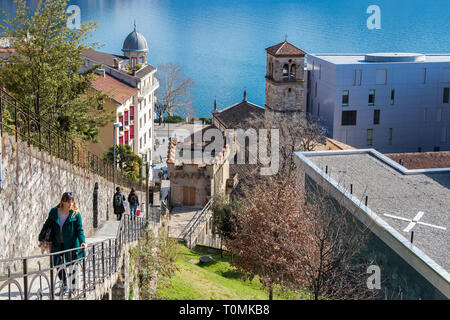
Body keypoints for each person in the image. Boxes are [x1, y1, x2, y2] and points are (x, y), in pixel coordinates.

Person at [38, 192, 87, 295]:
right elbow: (46, 225)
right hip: (57, 243)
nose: (71, 204)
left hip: (72, 243)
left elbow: (80, 230)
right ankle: (64, 285)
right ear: (63, 201)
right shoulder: (54, 212)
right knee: (57, 263)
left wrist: (83, 242)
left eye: (72, 201)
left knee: (73, 265)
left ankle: (73, 288)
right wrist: (41, 238)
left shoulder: (75, 214)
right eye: (68, 201)